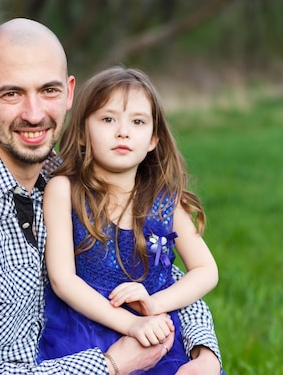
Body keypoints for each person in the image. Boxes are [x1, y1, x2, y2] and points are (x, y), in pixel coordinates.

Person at [0, 18, 222, 374]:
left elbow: (157, 270)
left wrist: (202, 350)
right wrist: (110, 365)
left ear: (68, 93)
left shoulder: (71, 180)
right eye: (12, 93)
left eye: (48, 91)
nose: (34, 115)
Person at [36, 67, 223, 373]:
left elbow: (206, 270)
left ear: (153, 139)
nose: (123, 131)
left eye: (137, 122)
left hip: (156, 332)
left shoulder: (164, 201)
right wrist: (131, 324)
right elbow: (63, 280)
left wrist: (154, 305)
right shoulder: (65, 191)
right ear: (82, 133)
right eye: (108, 119)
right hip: (87, 330)